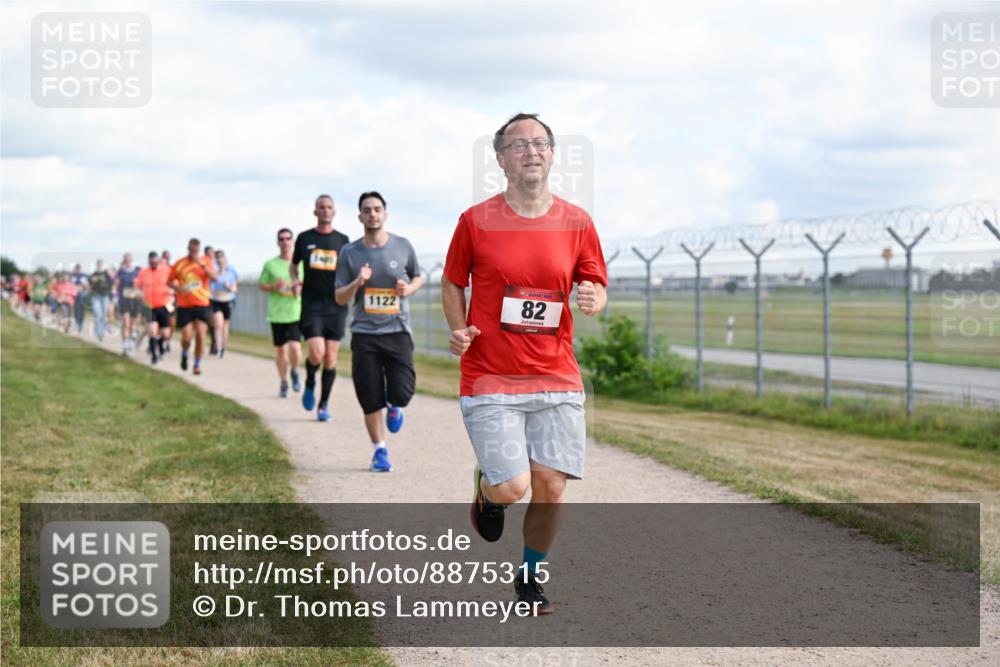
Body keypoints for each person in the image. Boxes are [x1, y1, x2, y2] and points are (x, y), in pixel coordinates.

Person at [441, 113, 608, 615]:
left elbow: (595, 280)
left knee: (552, 486)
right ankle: (488, 493)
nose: (530, 151)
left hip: (556, 373)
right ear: (500, 159)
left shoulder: (576, 221)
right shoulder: (476, 220)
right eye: (518, 145)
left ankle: (530, 577)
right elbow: (453, 281)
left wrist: (593, 298)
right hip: (490, 373)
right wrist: (458, 328)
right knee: (514, 486)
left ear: (553, 155)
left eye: (540, 143)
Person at [335, 191, 423, 473]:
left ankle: (396, 405)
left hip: (397, 329)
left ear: (385, 214)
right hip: (364, 334)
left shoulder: (403, 246)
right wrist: (357, 283)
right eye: (366, 210)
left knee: (403, 390)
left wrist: (408, 288)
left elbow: (418, 276)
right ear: (360, 216)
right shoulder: (350, 252)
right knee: (369, 395)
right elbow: (339, 297)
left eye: (376, 209)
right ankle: (379, 451)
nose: (372, 214)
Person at [290, 195, 351, 422]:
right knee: (317, 352)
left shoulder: (343, 240)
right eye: (321, 208)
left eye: (329, 208)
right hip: (312, 305)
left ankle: (323, 404)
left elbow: (350, 269)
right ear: (315, 211)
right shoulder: (305, 238)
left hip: (336, 305)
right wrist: (296, 280)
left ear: (334, 212)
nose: (325, 211)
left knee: (331, 358)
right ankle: (309, 381)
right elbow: (294, 266)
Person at [259, 228, 304, 397]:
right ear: (278, 242)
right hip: (277, 314)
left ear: (292, 242)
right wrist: (274, 286)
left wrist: (297, 287)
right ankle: (284, 381)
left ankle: (295, 370)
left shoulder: (300, 264)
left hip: (295, 311)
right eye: (282, 239)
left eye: (288, 238)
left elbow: (305, 284)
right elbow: (262, 285)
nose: (285, 242)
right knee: (280, 351)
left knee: (295, 346)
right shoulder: (270, 264)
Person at [167, 238, 217, 375]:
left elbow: (215, 277)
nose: (194, 252)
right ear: (188, 248)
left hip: (202, 304)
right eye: (192, 249)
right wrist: (179, 289)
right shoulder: (180, 263)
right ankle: (184, 353)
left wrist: (202, 265)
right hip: (185, 305)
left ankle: (197, 364)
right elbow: (169, 281)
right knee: (187, 338)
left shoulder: (205, 261)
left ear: (199, 250)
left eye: (197, 249)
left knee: (201, 334)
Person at [135, 252, 172, 364]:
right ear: (148, 261)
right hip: (149, 306)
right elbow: (137, 287)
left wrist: (172, 291)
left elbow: (174, 283)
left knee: (166, 334)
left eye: (156, 262)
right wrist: (138, 293)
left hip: (164, 305)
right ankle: (154, 356)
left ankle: (160, 344)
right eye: (152, 262)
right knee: (152, 331)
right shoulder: (143, 273)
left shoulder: (166, 270)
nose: (154, 264)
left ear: (158, 261)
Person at [209, 249, 238, 358]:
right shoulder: (213, 275)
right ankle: (217, 345)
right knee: (218, 323)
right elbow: (209, 288)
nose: (220, 260)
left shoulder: (230, 274)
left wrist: (229, 286)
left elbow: (235, 289)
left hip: (228, 300)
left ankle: (223, 347)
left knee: (225, 326)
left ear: (225, 260)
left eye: (222, 258)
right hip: (216, 301)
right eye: (218, 259)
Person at [114, 253, 141, 356]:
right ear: (124, 260)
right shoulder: (121, 272)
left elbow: (141, 284)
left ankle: (131, 342)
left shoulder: (137, 271)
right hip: (124, 300)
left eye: (130, 259)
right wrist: (115, 297)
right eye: (126, 260)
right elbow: (115, 285)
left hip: (135, 300)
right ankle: (125, 347)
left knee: (133, 324)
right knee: (126, 323)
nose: (128, 261)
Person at [89, 260, 114, 341]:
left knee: (103, 315)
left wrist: (108, 274)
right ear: (96, 265)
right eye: (98, 264)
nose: (99, 266)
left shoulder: (107, 274)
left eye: (101, 264)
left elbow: (111, 283)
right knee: (97, 314)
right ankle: (99, 333)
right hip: (96, 296)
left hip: (105, 296)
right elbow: (90, 283)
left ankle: (102, 332)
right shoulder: (94, 274)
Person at [159, 249, 174, 353]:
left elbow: (176, 283)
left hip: (171, 301)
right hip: (159, 301)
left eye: (168, 257)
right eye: (165, 257)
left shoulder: (172, 270)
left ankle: (167, 341)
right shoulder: (156, 272)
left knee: (172, 323)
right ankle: (159, 341)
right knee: (161, 323)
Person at [69, 264, 89, 334]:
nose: (78, 270)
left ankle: (81, 323)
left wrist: (81, 286)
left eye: (79, 269)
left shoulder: (83, 276)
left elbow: (87, 286)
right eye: (76, 268)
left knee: (81, 310)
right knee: (76, 310)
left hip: (82, 295)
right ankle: (77, 323)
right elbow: (70, 284)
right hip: (74, 295)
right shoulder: (72, 276)